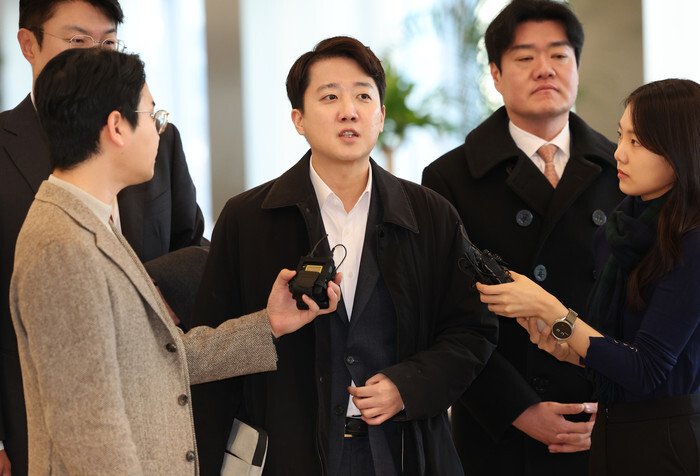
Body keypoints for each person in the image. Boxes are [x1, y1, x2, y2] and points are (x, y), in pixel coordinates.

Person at [10, 47, 341, 475]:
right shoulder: (62, 247)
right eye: (152, 115)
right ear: (117, 127)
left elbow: (159, 357)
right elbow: (89, 431)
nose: (159, 131)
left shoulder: (90, 224)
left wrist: (269, 324)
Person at [190, 36, 498, 475]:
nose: (349, 111)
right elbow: (213, 344)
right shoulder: (249, 219)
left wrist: (408, 386)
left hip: (403, 452)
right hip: (289, 456)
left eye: (363, 96)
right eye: (330, 96)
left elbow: (472, 330)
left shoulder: (430, 214)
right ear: (298, 119)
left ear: (381, 116)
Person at [0, 1, 206, 473]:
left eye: (109, 42)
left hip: (151, 415)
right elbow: (89, 430)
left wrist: (147, 294)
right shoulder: (57, 238)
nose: (96, 55)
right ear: (28, 44)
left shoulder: (157, 143)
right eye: (78, 40)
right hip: (39, 420)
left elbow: (192, 244)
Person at [421, 1, 624, 474]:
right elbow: (443, 315)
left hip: (608, 420)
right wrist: (518, 409)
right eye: (525, 57)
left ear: (576, 66)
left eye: (559, 55)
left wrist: (619, 400)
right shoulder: (449, 178)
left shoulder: (623, 170)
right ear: (495, 74)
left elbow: (642, 304)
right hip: (501, 431)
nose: (544, 69)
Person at [478, 78, 700, 476]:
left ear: (680, 149)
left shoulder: (692, 240)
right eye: (621, 135)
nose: (619, 153)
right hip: (611, 438)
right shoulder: (621, 230)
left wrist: (550, 308)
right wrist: (566, 346)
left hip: (670, 443)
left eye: (637, 141)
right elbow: (617, 353)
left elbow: (646, 370)